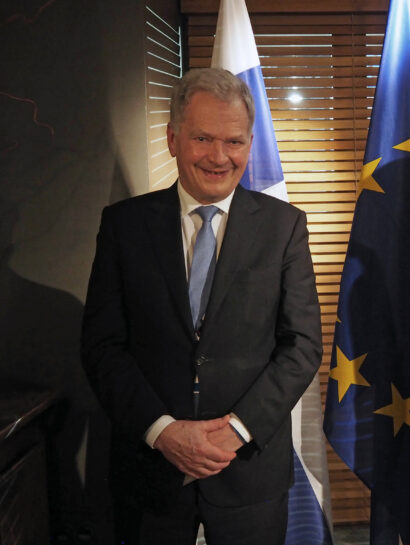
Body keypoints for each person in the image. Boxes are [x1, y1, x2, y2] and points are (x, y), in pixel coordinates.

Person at [81, 68, 322, 545]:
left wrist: (235, 431)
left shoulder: (284, 227)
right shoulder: (124, 227)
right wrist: (163, 431)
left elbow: (302, 346)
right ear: (173, 139)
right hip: (151, 474)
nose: (219, 156)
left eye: (234, 141)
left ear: (250, 145)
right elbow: (103, 347)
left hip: (248, 473)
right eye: (202, 138)